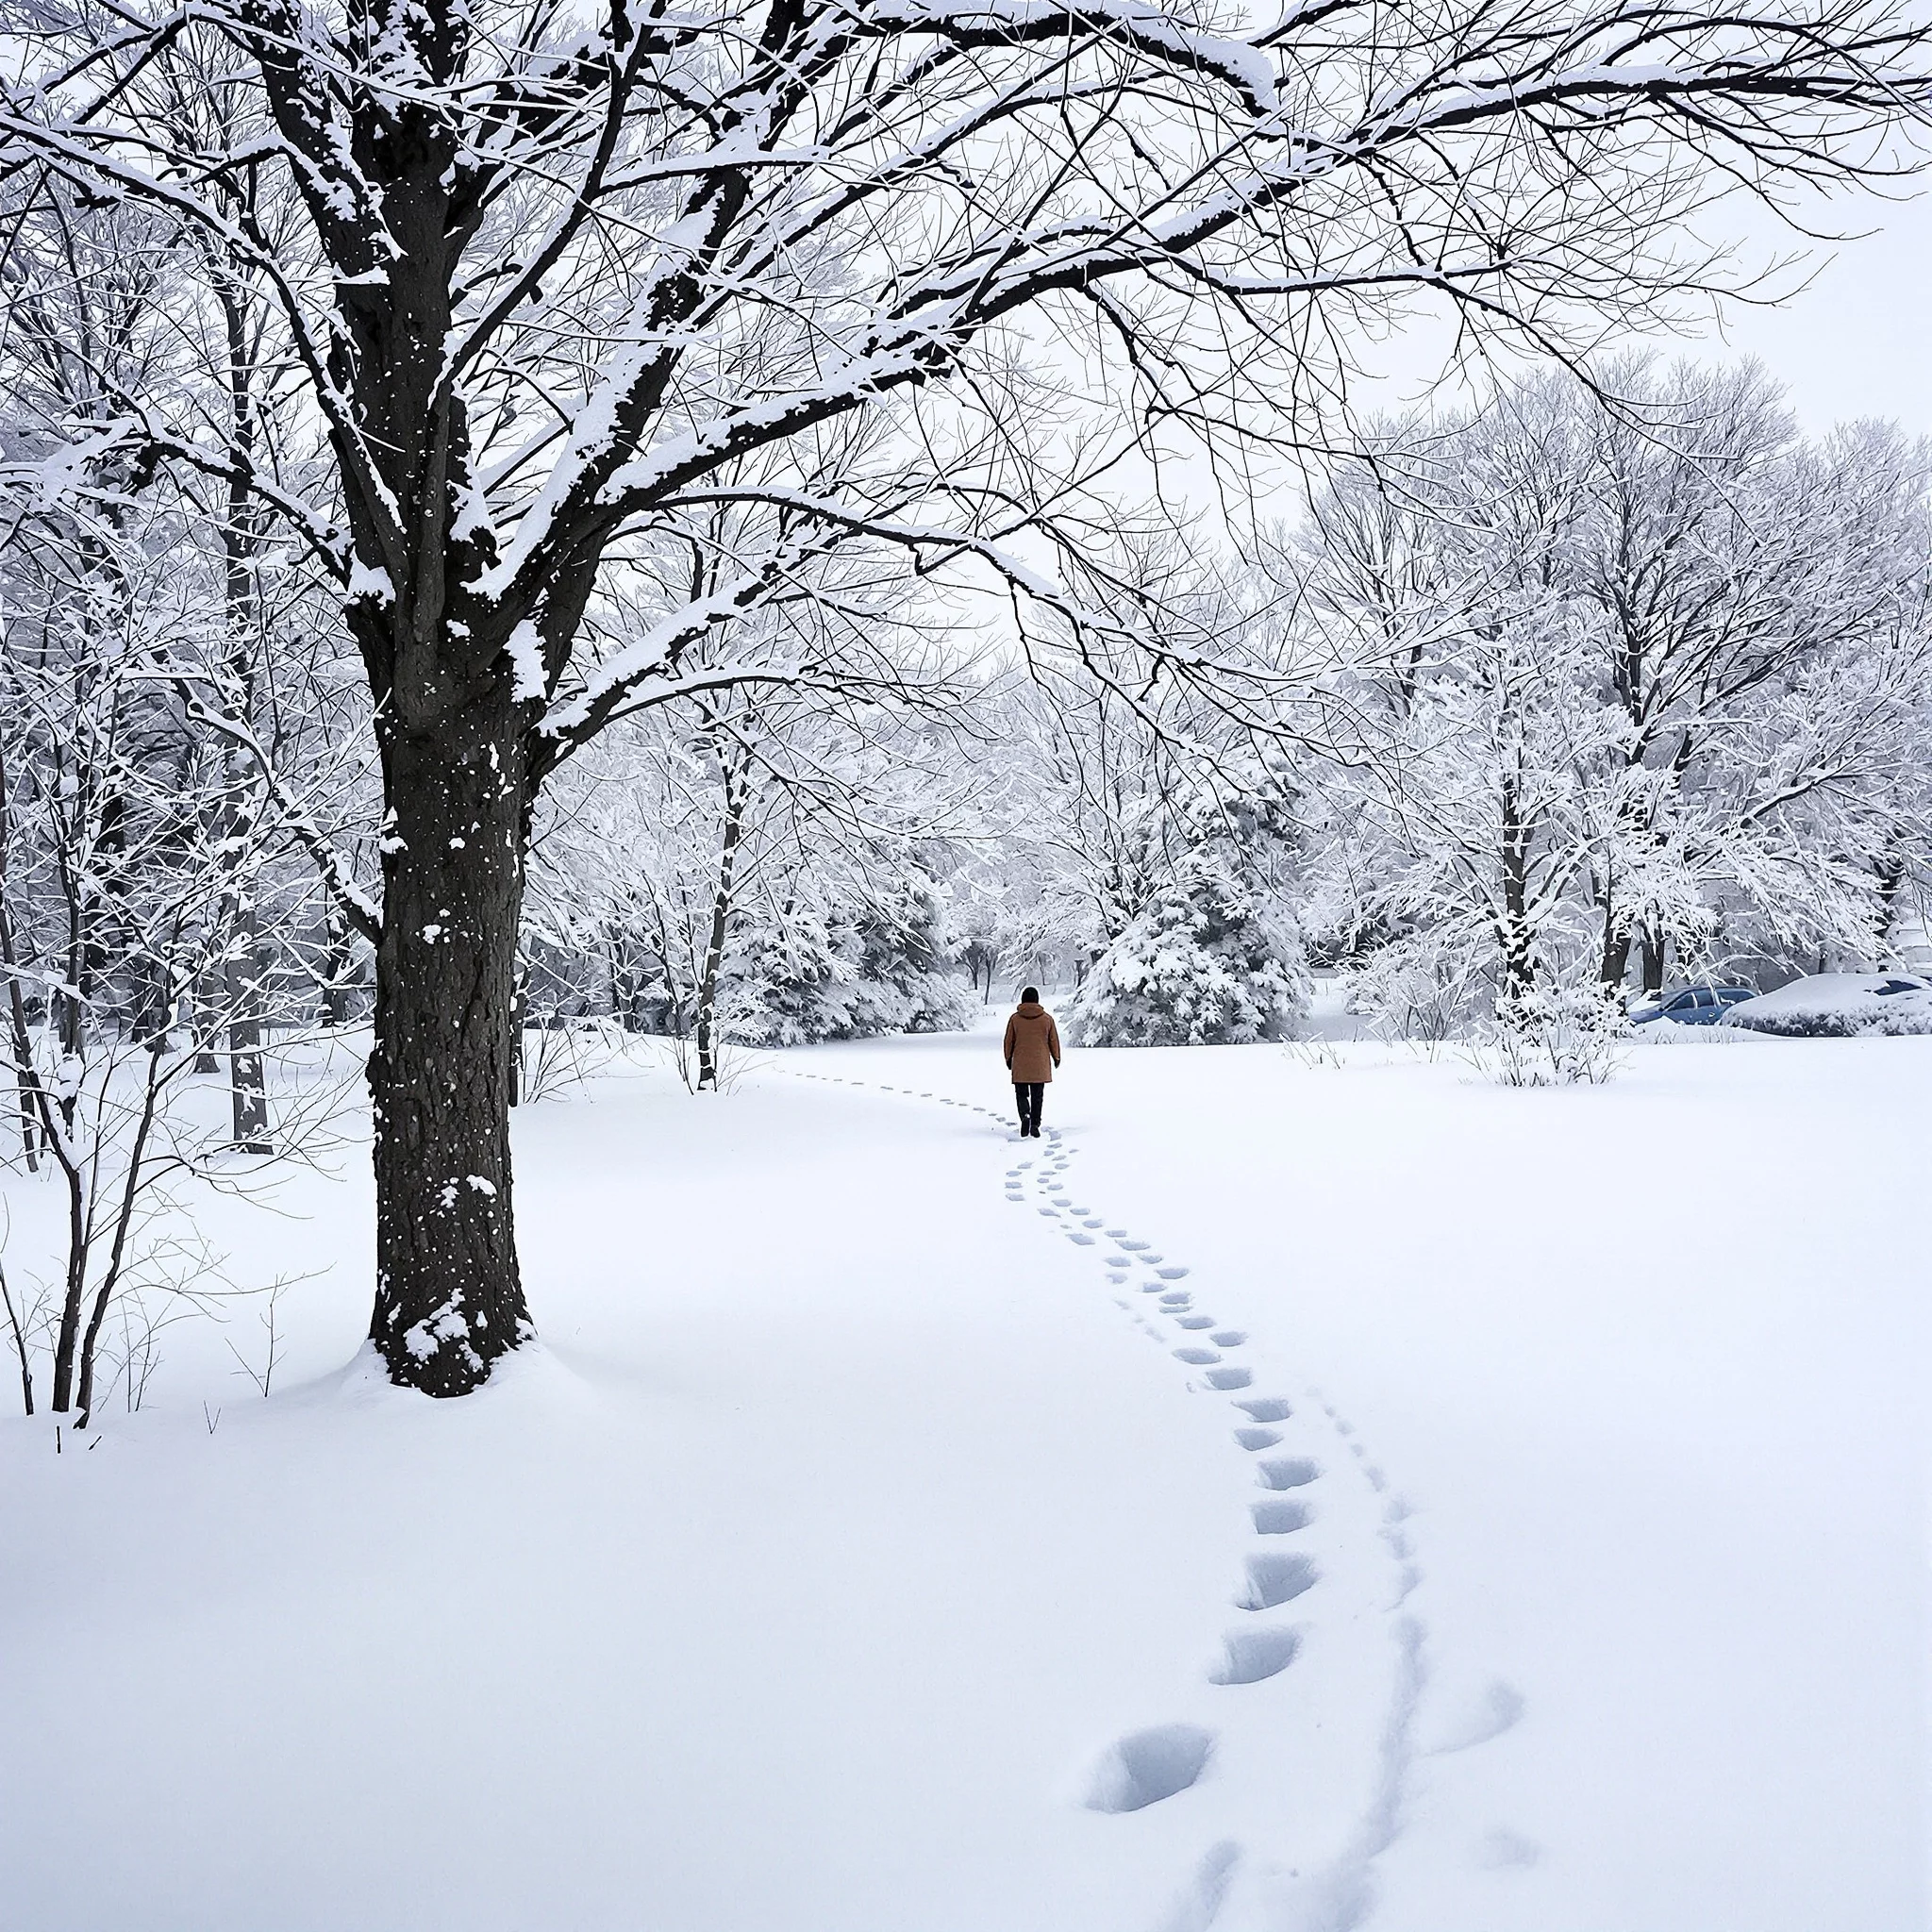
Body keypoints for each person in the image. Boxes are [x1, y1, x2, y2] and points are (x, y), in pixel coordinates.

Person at [1002, 986, 1061, 1138]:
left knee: (1021, 1094)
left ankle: (1025, 1115)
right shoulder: (1047, 1019)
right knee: (1037, 1096)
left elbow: (1008, 1041)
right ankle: (1035, 1123)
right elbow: (1053, 1040)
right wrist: (1056, 1058)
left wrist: (1008, 1058)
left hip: (1020, 1064)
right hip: (1040, 1064)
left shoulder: (1015, 1019)